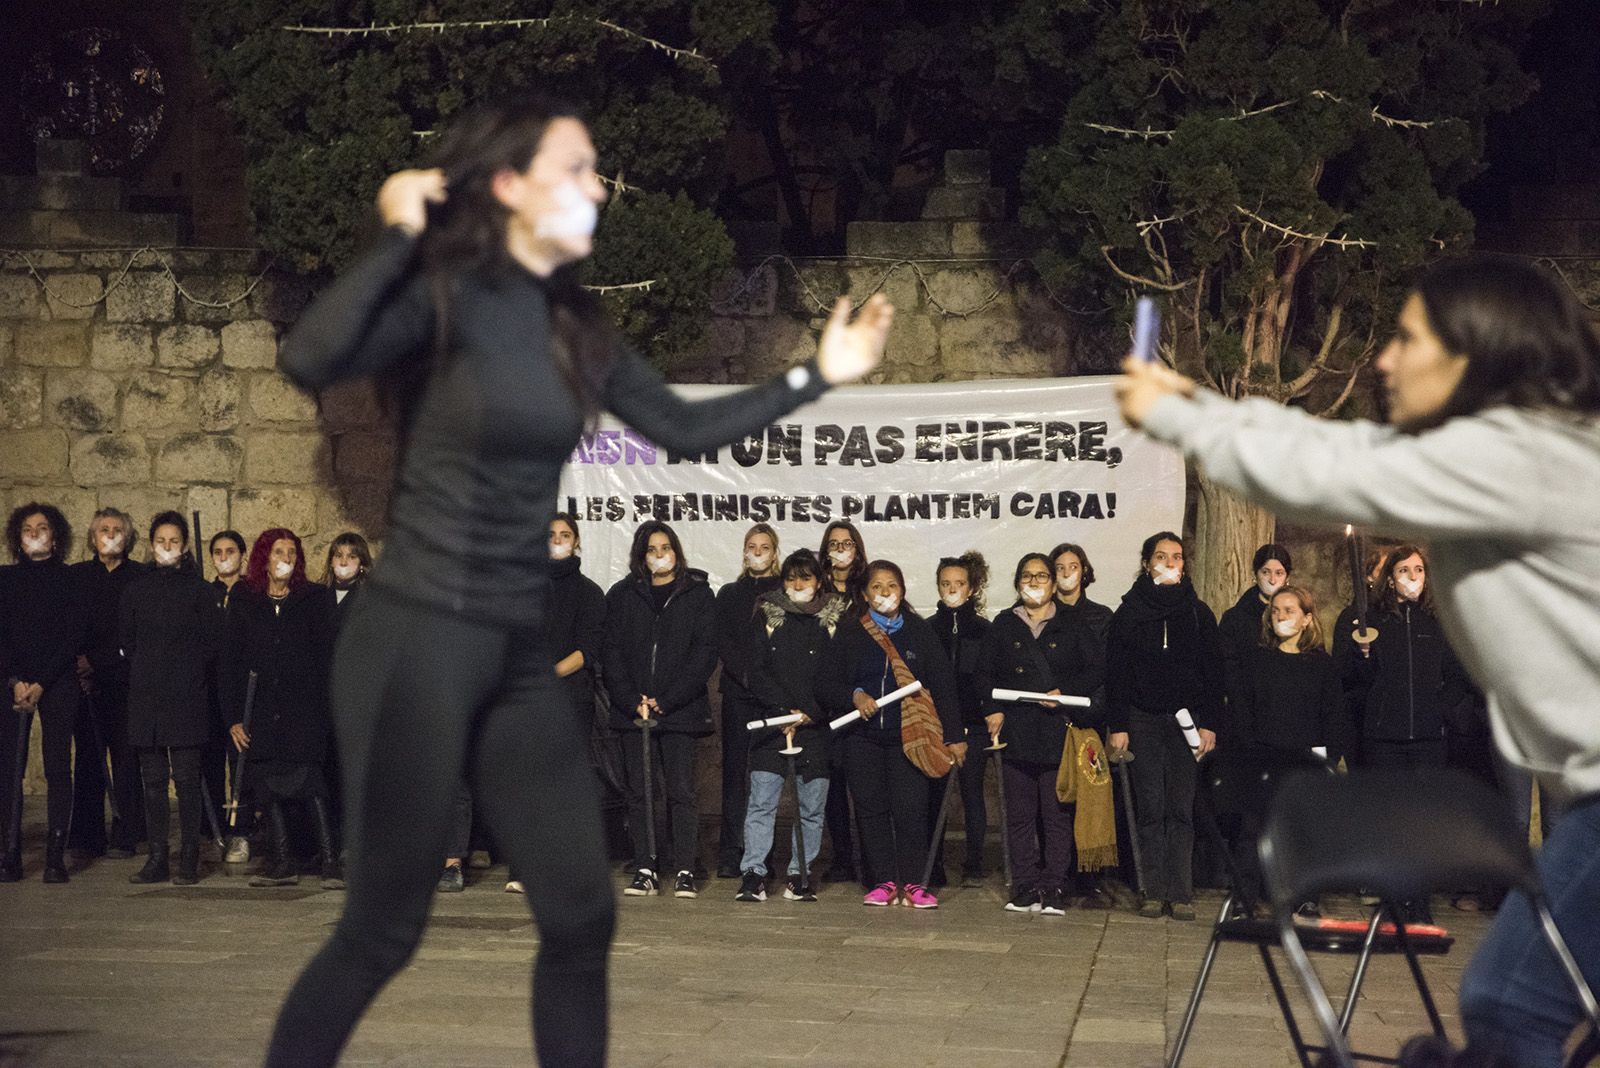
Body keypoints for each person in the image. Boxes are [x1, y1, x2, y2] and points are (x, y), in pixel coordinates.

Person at [269, 91, 887, 1068]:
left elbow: (683, 430)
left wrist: (819, 374)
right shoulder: (443, 294)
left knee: (580, 916)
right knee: (381, 934)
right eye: (578, 167)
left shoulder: (571, 324)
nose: (600, 184)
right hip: (415, 642)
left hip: (514, 654)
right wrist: (399, 235)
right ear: (511, 186)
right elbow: (310, 355)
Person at [1114, 253, 1600, 1067]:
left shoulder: (1518, 452)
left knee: (1508, 1003)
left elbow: (1332, 471)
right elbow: (1345, 447)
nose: (1383, 359)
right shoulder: (1520, 448)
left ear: (1473, 351)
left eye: (1406, 339)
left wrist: (1182, 414)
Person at [827, 560, 965, 908]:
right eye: (877, 587)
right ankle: (883, 881)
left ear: (902, 591)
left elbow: (944, 686)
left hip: (910, 737)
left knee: (911, 808)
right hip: (863, 738)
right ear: (864, 593)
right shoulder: (850, 632)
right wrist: (854, 696)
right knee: (870, 809)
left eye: (892, 586)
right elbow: (825, 681)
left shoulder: (919, 632)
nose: (885, 593)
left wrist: (953, 735)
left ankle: (916, 883)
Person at [977, 553, 1108, 914]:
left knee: (1056, 815)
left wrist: (1065, 691)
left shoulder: (1073, 624)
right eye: (1027, 575)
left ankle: (1053, 887)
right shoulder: (1003, 624)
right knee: (1018, 815)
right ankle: (1023, 886)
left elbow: (1097, 669)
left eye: (1041, 576)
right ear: (1018, 582)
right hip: (1016, 731)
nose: (1034, 582)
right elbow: (984, 674)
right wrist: (993, 709)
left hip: (1056, 731)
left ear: (1053, 583)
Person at [1104, 531, 1225, 921]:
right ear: (1146, 563)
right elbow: (1116, 673)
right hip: (1143, 718)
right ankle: (1153, 890)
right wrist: (1118, 723)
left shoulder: (1197, 613)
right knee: (1151, 807)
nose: (1169, 563)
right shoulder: (1129, 612)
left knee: (1181, 808)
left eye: (1176, 557)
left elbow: (1213, 673)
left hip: (1186, 724)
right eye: (1161, 556)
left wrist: (1209, 723)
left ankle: (1181, 891)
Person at [604, 521, 719, 899]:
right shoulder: (621, 596)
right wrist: (630, 699)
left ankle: (685, 867)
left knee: (681, 791)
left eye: (665, 547)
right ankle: (646, 866)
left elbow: (703, 654)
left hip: (679, 711)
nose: (659, 555)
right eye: (652, 549)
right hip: (632, 711)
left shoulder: (698, 595)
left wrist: (666, 700)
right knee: (639, 792)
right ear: (641, 556)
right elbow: (612, 654)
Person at [225, 529, 341, 892]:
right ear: (264, 556)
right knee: (268, 786)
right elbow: (230, 662)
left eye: (292, 551)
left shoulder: (314, 599)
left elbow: (327, 657)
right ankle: (282, 860)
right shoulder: (246, 600)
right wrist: (233, 716)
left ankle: (330, 862)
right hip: (260, 709)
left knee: (311, 783)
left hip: (304, 709)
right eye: (278, 551)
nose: (285, 557)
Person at [1228, 585, 1350, 913]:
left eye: (1289, 610)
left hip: (1305, 760)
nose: (1281, 617)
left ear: (1307, 618)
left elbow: (1334, 714)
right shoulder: (1257, 659)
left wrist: (1327, 758)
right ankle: (1245, 897)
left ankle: (1306, 897)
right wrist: (1249, 748)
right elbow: (1244, 709)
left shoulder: (1321, 665)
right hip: (1264, 756)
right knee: (1253, 829)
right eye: (1276, 611)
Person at [737, 549, 848, 902]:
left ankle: (800, 875)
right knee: (761, 803)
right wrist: (784, 711)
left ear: (819, 581)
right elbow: (756, 671)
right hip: (773, 724)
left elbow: (838, 674)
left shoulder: (835, 618)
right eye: (791, 578)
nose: (797, 585)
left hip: (816, 728)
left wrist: (809, 713)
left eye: (805, 577)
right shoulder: (767, 614)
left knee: (812, 809)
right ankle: (754, 874)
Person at [504, 512, 606, 895]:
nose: (558, 540)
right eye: (551, 535)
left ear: (577, 542)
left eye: (566, 535)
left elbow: (587, 650)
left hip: (570, 698)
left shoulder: (589, 592)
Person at [121, 513, 225, 885]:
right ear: (152, 545)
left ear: (183, 546)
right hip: (147, 698)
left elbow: (212, 644)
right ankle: (157, 858)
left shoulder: (199, 592)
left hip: (186, 698)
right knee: (152, 782)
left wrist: (185, 670)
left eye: (174, 541)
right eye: (161, 541)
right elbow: (128, 643)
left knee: (185, 779)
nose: (167, 547)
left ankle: (189, 860)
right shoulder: (136, 590)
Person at [0, 503, 87, 883]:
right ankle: (10, 852)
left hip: (57, 682)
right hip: (11, 681)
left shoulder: (71, 580)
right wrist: (15, 679)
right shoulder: (4, 579)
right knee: (8, 769)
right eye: (27, 529)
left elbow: (73, 636)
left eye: (43, 527)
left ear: (56, 535)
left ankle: (55, 856)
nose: (35, 533)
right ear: (17, 537)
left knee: (56, 767)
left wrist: (41, 683)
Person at [68, 507, 146, 861]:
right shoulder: (79, 577)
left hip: (126, 682)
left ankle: (127, 833)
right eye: (104, 529)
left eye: (117, 529)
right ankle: (87, 836)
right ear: (94, 537)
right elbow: (70, 627)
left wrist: (100, 660)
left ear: (127, 537)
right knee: (87, 758)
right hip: (87, 684)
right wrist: (81, 663)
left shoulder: (141, 578)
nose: (111, 534)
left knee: (127, 759)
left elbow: (136, 634)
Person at [712, 523, 782, 879]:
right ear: (743, 552)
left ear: (775, 551)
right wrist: (747, 678)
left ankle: (762, 851)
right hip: (738, 695)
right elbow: (723, 640)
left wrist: (768, 685)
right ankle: (730, 850)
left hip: (772, 698)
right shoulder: (729, 594)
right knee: (734, 774)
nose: (757, 552)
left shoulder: (786, 592)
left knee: (766, 775)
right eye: (751, 546)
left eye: (764, 546)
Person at [928, 551, 993, 886]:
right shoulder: (926, 630)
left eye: (959, 583)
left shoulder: (985, 630)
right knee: (935, 795)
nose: (952, 589)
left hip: (976, 726)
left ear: (971, 588)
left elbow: (990, 677)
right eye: (946, 583)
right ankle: (934, 865)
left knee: (972, 794)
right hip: (936, 726)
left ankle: (974, 864)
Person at [817, 519, 869, 883]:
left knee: (864, 786)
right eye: (833, 543)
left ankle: (871, 858)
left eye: (846, 543)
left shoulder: (869, 590)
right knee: (832, 785)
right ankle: (842, 858)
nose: (840, 549)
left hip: (863, 698)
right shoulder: (814, 592)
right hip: (826, 700)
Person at [208, 530, 252, 864]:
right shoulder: (203, 594)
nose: (224, 556)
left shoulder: (251, 594)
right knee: (210, 763)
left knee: (241, 766)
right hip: (208, 692)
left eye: (231, 550)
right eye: (218, 551)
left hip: (241, 691)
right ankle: (214, 830)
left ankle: (242, 831)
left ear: (243, 555)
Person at [321, 532, 372, 622]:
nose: (343, 563)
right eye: (338, 556)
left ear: (362, 564)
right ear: (331, 562)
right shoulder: (316, 595)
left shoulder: (369, 600)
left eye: (352, 557)